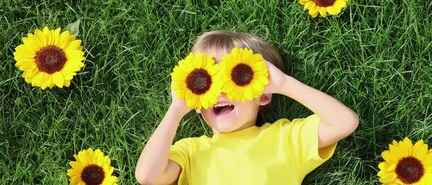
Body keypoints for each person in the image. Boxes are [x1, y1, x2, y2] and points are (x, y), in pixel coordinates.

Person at [135, 30, 359, 185]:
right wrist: (176, 109)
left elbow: (344, 122)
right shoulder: (191, 151)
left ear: (262, 95)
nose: (221, 92)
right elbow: (147, 177)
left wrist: (283, 84)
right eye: (207, 83)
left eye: (236, 79)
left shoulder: (285, 138)